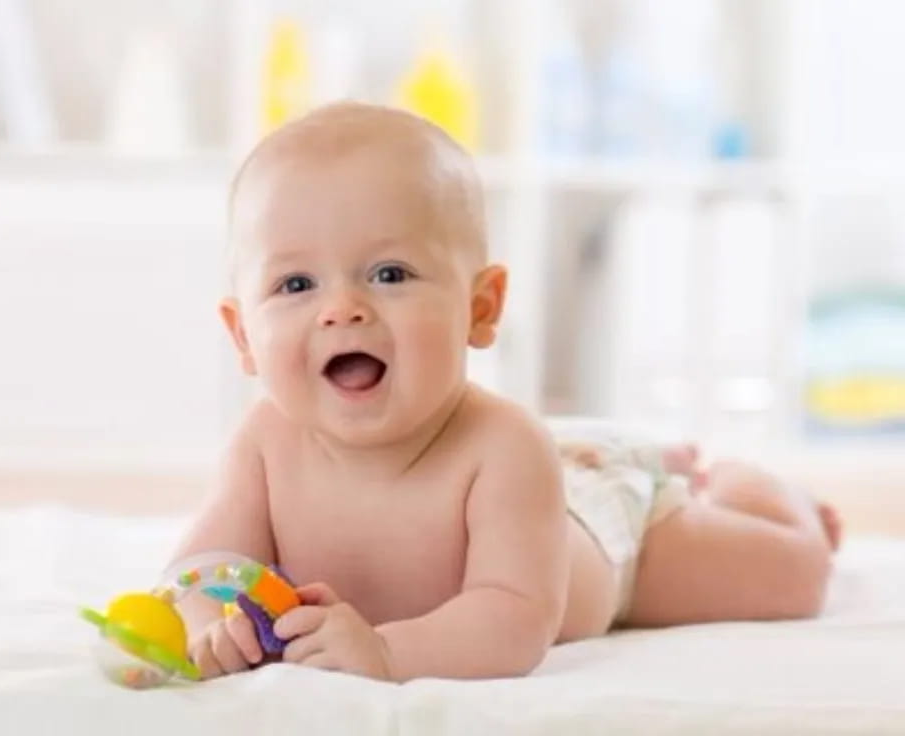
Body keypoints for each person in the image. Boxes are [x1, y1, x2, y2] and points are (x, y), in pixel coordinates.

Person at [171, 102, 839, 682]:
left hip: (601, 529)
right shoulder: (264, 443)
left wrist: (383, 650)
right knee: (573, 455)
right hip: (564, 462)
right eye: (295, 285)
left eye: (390, 273)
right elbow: (199, 568)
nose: (341, 309)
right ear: (243, 338)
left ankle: (744, 487)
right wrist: (209, 628)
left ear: (480, 307)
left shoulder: (503, 446)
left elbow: (515, 618)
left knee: (794, 577)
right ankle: (648, 457)